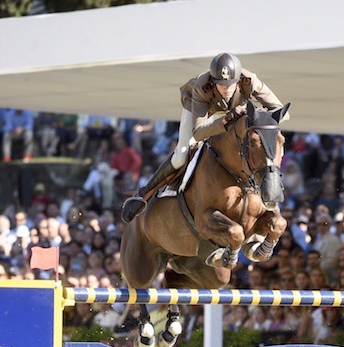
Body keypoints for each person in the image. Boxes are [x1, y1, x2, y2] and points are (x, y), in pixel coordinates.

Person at [121, 52, 288, 222]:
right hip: (203, 111)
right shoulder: (202, 87)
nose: (226, 90)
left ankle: (270, 190)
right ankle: (143, 195)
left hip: (236, 114)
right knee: (182, 154)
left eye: (230, 85)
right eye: (221, 85)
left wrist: (256, 115)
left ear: (238, 80)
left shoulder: (249, 80)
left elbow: (281, 112)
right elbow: (199, 132)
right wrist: (226, 119)